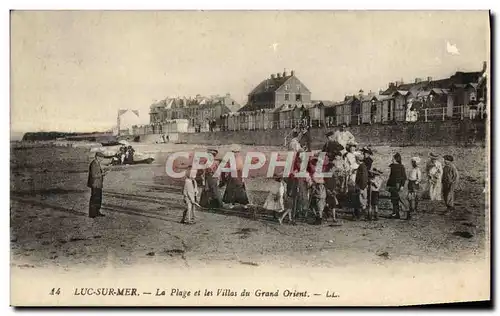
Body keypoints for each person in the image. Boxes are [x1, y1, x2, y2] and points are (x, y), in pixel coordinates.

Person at [87, 152, 109, 218]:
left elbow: (97, 173)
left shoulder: (96, 163)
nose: (102, 159)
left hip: (98, 184)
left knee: (98, 199)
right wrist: (102, 174)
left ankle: (97, 212)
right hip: (95, 184)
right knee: (94, 199)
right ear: (97, 157)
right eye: (101, 157)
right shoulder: (94, 164)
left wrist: (103, 172)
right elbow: (94, 175)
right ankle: (92, 214)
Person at [387, 153, 407, 219]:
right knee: (394, 200)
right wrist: (388, 185)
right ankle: (396, 213)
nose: (392, 159)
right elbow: (391, 176)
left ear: (396, 159)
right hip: (393, 185)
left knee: (401, 199)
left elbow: (404, 177)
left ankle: (407, 213)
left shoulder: (401, 167)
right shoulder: (392, 166)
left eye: (393, 158)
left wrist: (402, 186)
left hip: (398, 185)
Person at [354, 152, 369, 220]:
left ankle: (362, 216)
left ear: (357, 160)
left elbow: (363, 178)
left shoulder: (362, 167)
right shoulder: (363, 166)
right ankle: (363, 216)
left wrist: (362, 188)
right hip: (362, 186)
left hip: (361, 186)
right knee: (363, 201)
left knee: (361, 201)